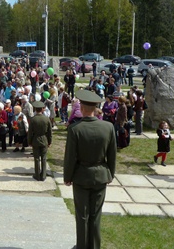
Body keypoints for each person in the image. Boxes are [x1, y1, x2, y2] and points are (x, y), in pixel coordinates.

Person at [63, 89, 117, 249]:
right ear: (94, 108)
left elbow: (70, 157)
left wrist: (68, 176)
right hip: (101, 175)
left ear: (82, 108)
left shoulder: (75, 129)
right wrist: (110, 174)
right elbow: (112, 155)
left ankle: (81, 246)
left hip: (81, 176)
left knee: (82, 215)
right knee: (95, 215)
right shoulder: (108, 127)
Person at [27, 101, 52, 181]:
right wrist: (49, 141)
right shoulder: (46, 119)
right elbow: (50, 132)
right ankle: (43, 175)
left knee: (36, 158)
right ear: (42, 109)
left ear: (35, 109)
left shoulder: (33, 119)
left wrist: (29, 141)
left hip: (35, 140)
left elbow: (30, 132)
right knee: (44, 158)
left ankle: (37, 175)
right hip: (44, 139)